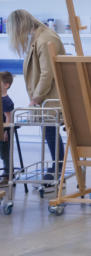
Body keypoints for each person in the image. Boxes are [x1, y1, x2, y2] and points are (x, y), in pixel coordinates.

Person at [7, 10, 66, 191]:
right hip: (47, 96)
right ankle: (56, 170)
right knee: (49, 133)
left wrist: (36, 98)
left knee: (50, 132)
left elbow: (48, 73)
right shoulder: (40, 36)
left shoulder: (44, 38)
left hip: (50, 97)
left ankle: (57, 172)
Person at [1, 71, 14, 187]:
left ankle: (8, 175)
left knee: (4, 154)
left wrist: (6, 133)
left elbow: (8, 117)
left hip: (3, 133)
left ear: (6, 85)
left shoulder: (5, 101)